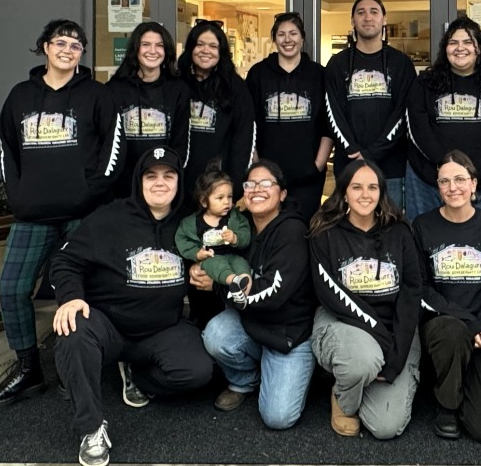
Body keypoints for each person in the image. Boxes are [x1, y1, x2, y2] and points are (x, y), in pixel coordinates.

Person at [0, 19, 125, 412]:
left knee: (80, 292)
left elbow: (113, 152)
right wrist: (19, 198)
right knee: (12, 289)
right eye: (60, 43)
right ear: (44, 47)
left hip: (84, 214)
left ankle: (71, 363)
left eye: (76, 45)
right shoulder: (19, 96)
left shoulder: (97, 95)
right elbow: (7, 153)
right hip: (33, 216)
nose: (68, 49)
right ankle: (28, 367)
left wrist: (89, 193)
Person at [51, 146, 213, 466]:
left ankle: (137, 375)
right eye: (151, 176)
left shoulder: (191, 224)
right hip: (107, 325)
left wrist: (209, 278)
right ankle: (92, 428)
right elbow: (65, 260)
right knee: (73, 329)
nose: (159, 183)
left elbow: (215, 264)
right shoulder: (109, 218)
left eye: (169, 176)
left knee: (198, 372)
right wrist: (71, 297)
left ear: (179, 182)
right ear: (139, 181)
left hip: (162, 327)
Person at [196, 160, 317, 430]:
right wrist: (199, 265)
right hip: (253, 322)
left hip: (289, 334)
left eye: (266, 184)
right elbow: (216, 258)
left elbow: (273, 294)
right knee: (216, 334)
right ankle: (245, 378)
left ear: (282, 194)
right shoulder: (240, 229)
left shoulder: (292, 231)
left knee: (278, 418)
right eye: (250, 184)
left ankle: (292, 372)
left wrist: (216, 287)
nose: (256, 189)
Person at [308, 159, 423, 439]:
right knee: (363, 359)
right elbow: (332, 296)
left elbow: (411, 293)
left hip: (393, 327)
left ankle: (358, 379)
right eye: (356, 187)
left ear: (382, 192)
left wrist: (395, 358)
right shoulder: (325, 234)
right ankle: (344, 396)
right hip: (343, 321)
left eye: (372, 187)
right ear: (344, 192)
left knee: (386, 427)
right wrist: (385, 342)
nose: (365, 194)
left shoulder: (400, 232)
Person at [411, 150, 481, 442]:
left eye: (459, 179)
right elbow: (422, 288)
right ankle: (447, 405)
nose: (452, 187)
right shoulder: (422, 226)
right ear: (438, 187)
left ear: (474, 184)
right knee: (452, 333)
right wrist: (470, 322)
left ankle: (463, 380)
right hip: (443, 325)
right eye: (445, 181)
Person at [178, 19, 255, 327]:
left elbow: (243, 139)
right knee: (187, 252)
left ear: (221, 51)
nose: (206, 50)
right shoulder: (176, 82)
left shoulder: (235, 87)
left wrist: (232, 191)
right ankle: (190, 322)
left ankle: (217, 323)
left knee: (217, 253)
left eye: (213, 45)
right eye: (200, 44)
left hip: (216, 190)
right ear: (191, 48)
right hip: (181, 188)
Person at [405, 16, 481, 220]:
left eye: (468, 42)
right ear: (445, 48)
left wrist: (471, 173)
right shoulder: (424, 84)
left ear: (479, 48)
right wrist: (448, 170)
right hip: (429, 182)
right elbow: (418, 130)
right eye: (453, 42)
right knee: (424, 241)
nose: (460, 48)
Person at [325, 0, 416, 210]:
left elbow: (404, 113)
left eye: (374, 12)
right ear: (352, 21)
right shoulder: (337, 64)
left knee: (391, 229)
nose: (368, 17)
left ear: (384, 19)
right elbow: (332, 112)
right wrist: (352, 150)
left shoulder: (401, 63)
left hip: (391, 168)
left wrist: (372, 153)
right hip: (349, 164)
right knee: (350, 232)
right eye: (361, 12)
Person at [246, 12, 332, 221]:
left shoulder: (318, 75)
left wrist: (318, 164)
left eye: (293, 33)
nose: (288, 40)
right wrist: (257, 163)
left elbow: (327, 123)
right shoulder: (258, 74)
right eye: (281, 34)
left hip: (307, 176)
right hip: (268, 176)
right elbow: (249, 122)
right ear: (274, 39)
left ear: (302, 38)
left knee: (304, 232)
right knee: (267, 228)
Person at [107, 21, 189, 199]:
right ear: (135, 49)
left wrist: (168, 176)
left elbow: (180, 141)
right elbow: (110, 143)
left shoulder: (178, 89)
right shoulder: (115, 89)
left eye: (159, 45)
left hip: (164, 186)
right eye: (146, 44)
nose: (153, 51)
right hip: (123, 187)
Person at [175, 162, 251, 305]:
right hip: (211, 258)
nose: (227, 202)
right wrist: (197, 254)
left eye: (229, 197)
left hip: (232, 255)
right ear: (204, 201)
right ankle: (233, 281)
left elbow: (245, 233)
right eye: (220, 198)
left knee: (241, 264)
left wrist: (235, 238)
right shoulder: (193, 223)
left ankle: (243, 292)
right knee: (216, 263)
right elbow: (182, 239)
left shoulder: (234, 217)